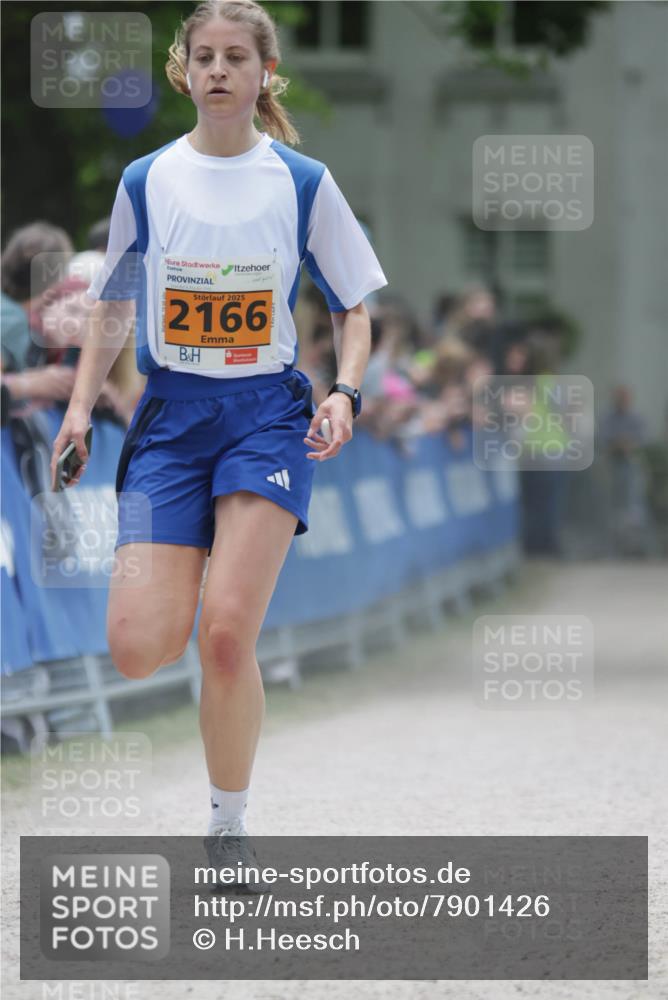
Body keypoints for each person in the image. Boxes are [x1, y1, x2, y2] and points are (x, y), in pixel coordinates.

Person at [49, 0, 387, 885]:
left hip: (266, 419)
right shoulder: (144, 181)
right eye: (205, 56)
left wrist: (347, 393)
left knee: (227, 637)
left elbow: (355, 307)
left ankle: (227, 823)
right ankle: (188, 566)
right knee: (135, 646)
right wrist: (82, 408)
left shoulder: (304, 182)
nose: (220, 70)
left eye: (238, 56)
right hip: (171, 416)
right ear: (183, 70)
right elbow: (115, 307)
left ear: (264, 73)